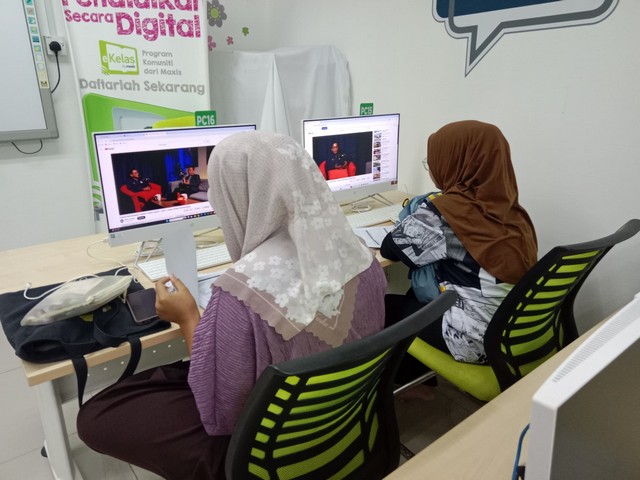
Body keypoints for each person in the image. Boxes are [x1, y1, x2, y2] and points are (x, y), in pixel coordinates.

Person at [77, 131, 387, 479]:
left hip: (272, 447)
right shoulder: (363, 257)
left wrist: (188, 317)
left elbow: (222, 413)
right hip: (344, 419)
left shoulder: (240, 296)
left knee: (95, 416)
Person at [382, 120, 537, 375]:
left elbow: (389, 250)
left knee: (386, 306)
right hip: (514, 330)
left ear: (454, 163)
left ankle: (402, 388)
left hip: (475, 340)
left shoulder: (447, 212)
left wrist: (418, 212)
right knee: (412, 298)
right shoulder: (511, 209)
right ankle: (423, 385)